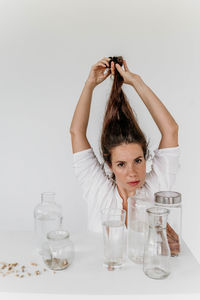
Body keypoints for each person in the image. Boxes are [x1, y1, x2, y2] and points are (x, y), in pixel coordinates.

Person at [70, 56, 180, 232]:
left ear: (145, 158)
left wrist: (137, 82)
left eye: (138, 161)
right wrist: (89, 85)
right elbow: (76, 132)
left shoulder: (157, 187)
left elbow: (171, 130)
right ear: (109, 165)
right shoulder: (98, 190)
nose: (132, 173)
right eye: (121, 164)